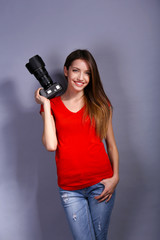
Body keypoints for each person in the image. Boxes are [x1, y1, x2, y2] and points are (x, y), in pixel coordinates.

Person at [35, 49, 119, 240]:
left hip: (101, 184)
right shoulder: (52, 106)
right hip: (70, 189)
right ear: (66, 71)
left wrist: (116, 177)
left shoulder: (100, 104)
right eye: (76, 70)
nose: (81, 77)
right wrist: (47, 104)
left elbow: (111, 145)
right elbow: (50, 145)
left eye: (87, 73)